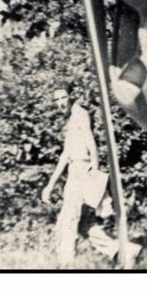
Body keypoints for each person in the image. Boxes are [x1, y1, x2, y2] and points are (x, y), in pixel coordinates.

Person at [40, 91, 109, 267]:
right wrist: (50, 185)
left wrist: (95, 169)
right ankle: (120, 250)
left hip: (81, 170)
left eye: (63, 97)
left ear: (70, 96)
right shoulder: (71, 118)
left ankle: (66, 263)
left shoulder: (79, 114)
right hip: (75, 170)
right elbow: (66, 154)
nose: (61, 102)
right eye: (57, 100)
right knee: (83, 224)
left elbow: (90, 141)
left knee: (68, 219)